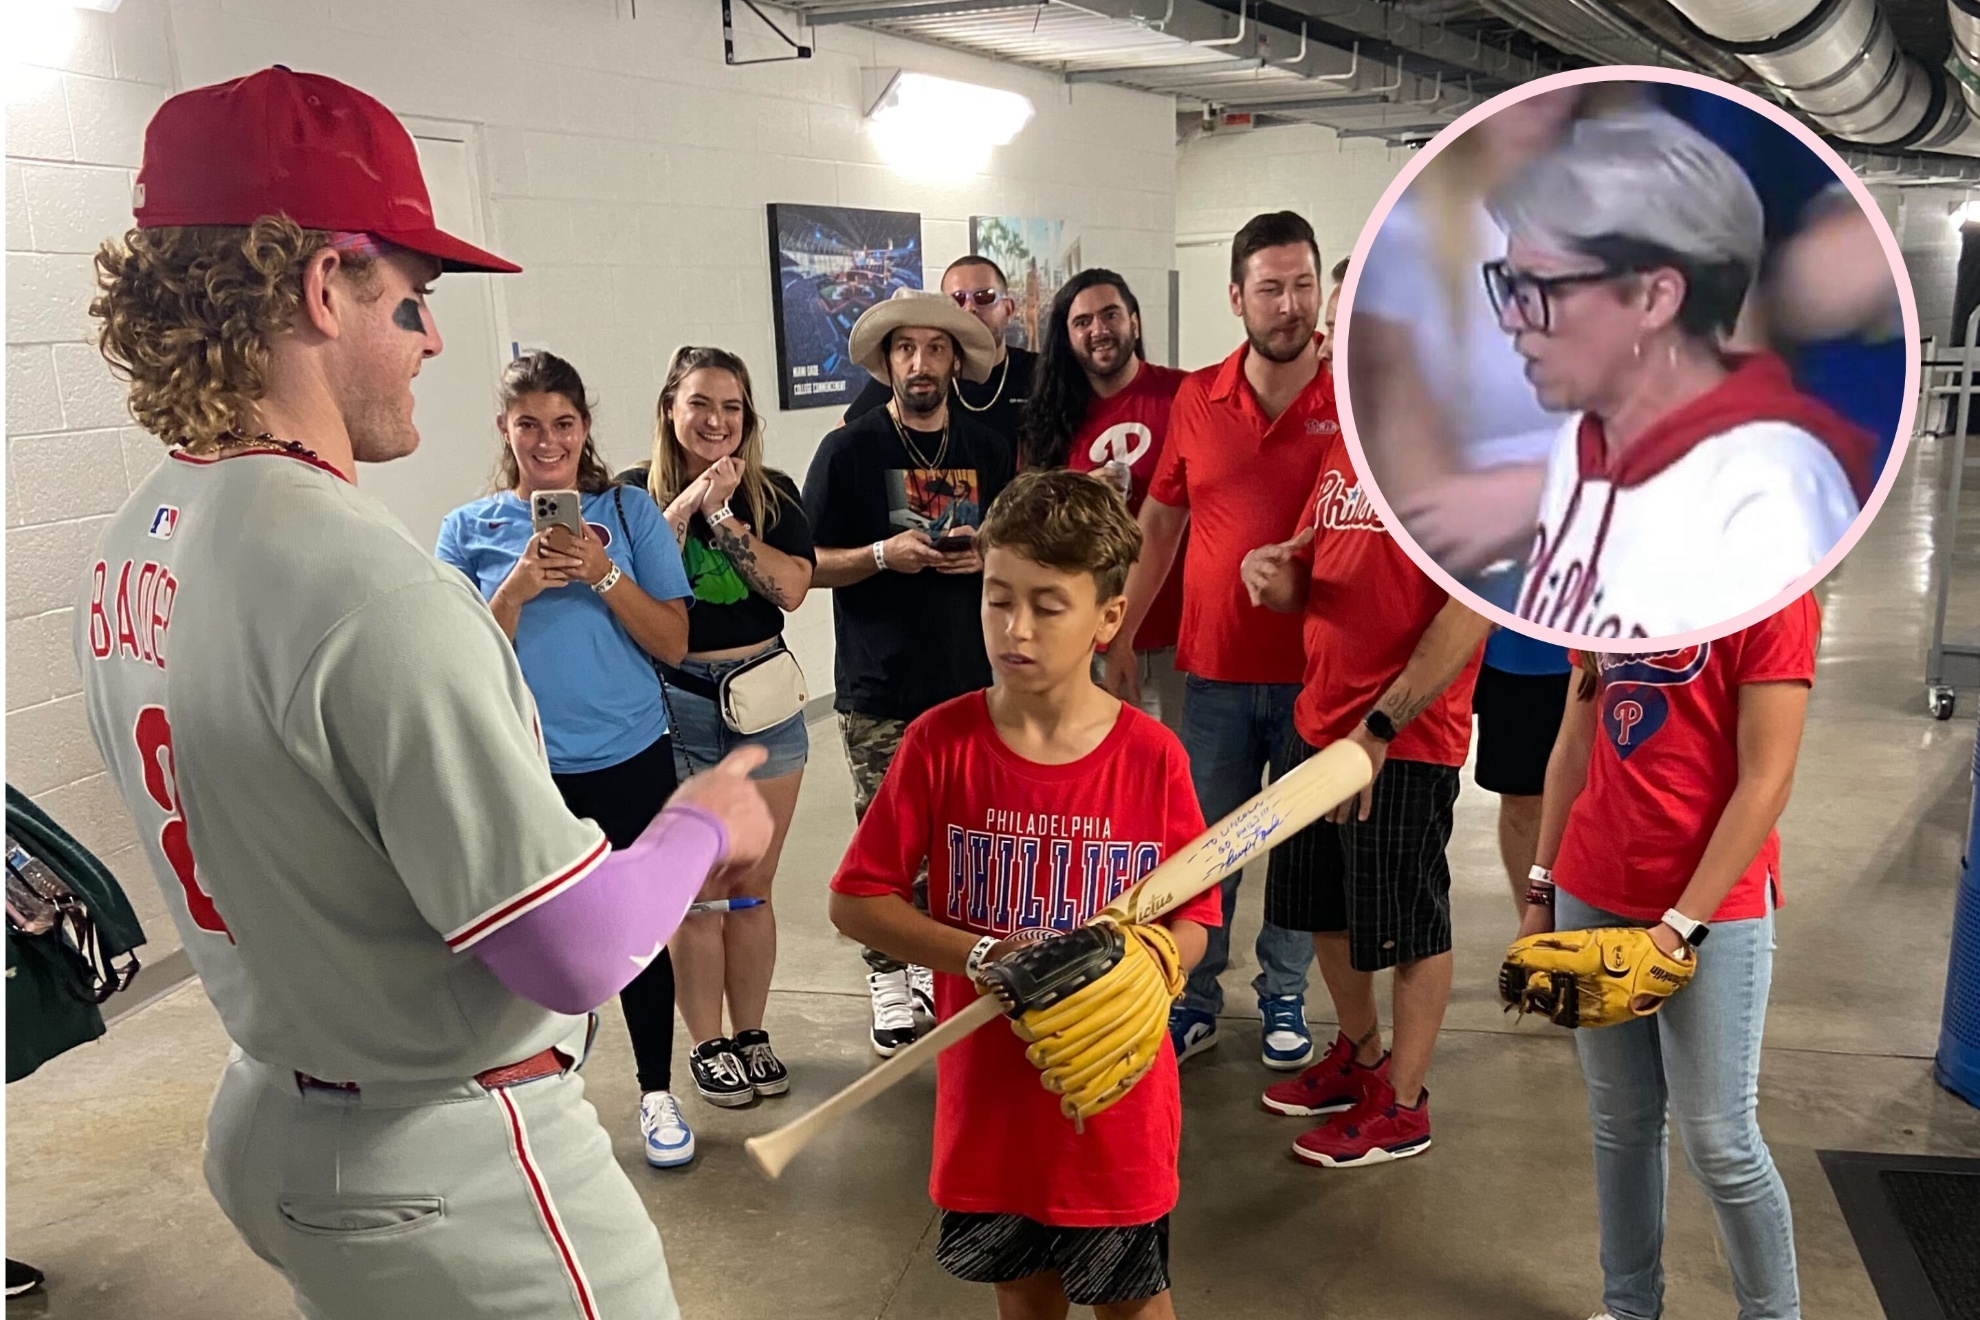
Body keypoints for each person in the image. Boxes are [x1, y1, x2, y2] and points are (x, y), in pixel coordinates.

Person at [78, 68, 770, 1319]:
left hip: (279, 1116)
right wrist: (706, 819)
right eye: (412, 301)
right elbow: (572, 949)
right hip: (452, 1159)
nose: (434, 339)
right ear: (319, 285)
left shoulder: (140, 537)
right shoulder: (369, 584)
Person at [827, 469, 1220, 1320]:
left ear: (1108, 617)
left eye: (1049, 605)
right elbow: (858, 901)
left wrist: (1144, 962)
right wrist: (981, 954)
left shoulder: (1152, 759)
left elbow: (1196, 918)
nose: (1016, 628)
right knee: (1024, 1302)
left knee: (1134, 1307)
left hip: (1113, 1107)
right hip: (994, 1107)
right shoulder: (939, 745)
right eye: (999, 599)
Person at [436, 351, 704, 1165]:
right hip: (526, 764)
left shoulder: (626, 513)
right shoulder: (467, 529)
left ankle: (657, 1092)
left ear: (585, 428)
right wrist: (513, 590)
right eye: (529, 425)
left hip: (631, 755)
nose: (547, 442)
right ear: (505, 430)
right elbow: (457, 661)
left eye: (562, 424)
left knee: (639, 931)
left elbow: (675, 643)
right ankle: (547, 1095)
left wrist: (603, 572)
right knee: (534, 937)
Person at [1519, 595, 1819, 1320]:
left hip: (1715, 906)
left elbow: (1767, 780)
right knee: (1620, 1123)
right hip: (1595, 889)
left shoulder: (1773, 593)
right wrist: (1542, 885)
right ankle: (1629, 1307)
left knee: (1720, 1138)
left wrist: (1679, 927)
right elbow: (1573, 744)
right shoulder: (1610, 584)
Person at [1487, 109, 1875, 639]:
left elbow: (1761, 695)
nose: (1512, 318)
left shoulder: (1771, 488)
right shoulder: (1580, 442)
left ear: (1656, 297)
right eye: (1509, 286)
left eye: (1542, 289)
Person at [1346, 93, 1595, 905]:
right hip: (1495, 641)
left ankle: (1577, 919)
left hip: (1589, 631)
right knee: (1521, 790)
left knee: (1593, 789)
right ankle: (1541, 923)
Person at [1105, 212, 1331, 1071]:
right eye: (1269, 288)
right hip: (1216, 676)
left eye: (1301, 284)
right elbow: (1160, 525)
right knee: (1209, 851)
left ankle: (1283, 993)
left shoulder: (1352, 401)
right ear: (1236, 297)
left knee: (1303, 854)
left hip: (1320, 677)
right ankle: (1197, 994)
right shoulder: (1200, 399)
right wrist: (1123, 626)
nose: (1288, 305)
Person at [1238, 426, 1489, 1167]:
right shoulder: (1345, 449)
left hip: (1400, 742)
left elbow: (1468, 614)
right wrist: (1270, 574)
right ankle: (1361, 1054)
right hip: (1318, 719)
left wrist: (1381, 726)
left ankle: (1406, 1106)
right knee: (1319, 907)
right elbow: (1308, 580)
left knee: (1410, 923)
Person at [804, 287, 1019, 1055]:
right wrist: (879, 556)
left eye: (934, 348)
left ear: (955, 360)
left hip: (972, 681)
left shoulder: (993, 447)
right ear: (887, 362)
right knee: (889, 840)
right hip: (880, 685)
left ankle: (938, 965)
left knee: (963, 840)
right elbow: (806, 567)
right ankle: (888, 974)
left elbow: (1019, 550)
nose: (920, 363)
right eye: (905, 349)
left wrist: (984, 558)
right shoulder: (851, 450)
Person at [619, 345, 816, 1109]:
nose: (716, 420)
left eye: (731, 407)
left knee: (752, 886)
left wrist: (724, 515)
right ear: (671, 408)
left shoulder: (774, 494)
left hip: (764, 699)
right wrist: (684, 506)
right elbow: (634, 587)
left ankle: (752, 1031)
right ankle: (707, 1043)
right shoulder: (632, 495)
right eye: (700, 403)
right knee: (696, 890)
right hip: (677, 704)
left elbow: (791, 588)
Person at [1019, 268, 1190, 730]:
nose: (1099, 330)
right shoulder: (1049, 420)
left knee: (1179, 786)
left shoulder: (1185, 395)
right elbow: (1029, 529)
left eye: (1111, 314)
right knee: (1105, 786)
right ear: (1067, 336)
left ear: (1134, 321)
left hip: (1179, 635)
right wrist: (1078, 495)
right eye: (1083, 321)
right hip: (1084, 636)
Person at [845, 255, 1036, 444]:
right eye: (957, 299)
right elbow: (844, 438)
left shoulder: (1042, 371)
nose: (970, 308)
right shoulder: (909, 376)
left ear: (1009, 309)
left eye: (984, 296)